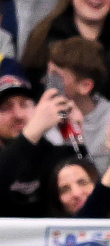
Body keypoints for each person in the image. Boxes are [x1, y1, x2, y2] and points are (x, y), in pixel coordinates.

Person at [45, 36, 110, 174]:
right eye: (48, 73)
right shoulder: (40, 121)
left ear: (85, 86)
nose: (46, 81)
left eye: (56, 76)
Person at [0, 75, 81, 217]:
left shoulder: (56, 154)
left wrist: (77, 137)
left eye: (25, 105)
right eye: (6, 108)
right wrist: (31, 133)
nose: (18, 114)